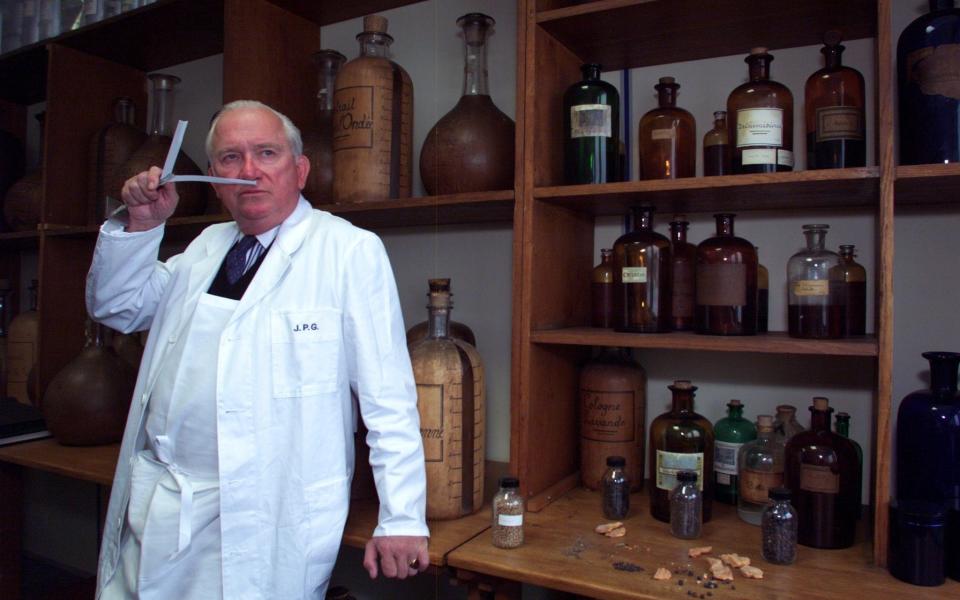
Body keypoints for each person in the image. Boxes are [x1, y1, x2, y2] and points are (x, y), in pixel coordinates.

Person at [87, 100, 429, 599]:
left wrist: (401, 517)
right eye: (230, 158)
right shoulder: (204, 247)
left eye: (266, 153)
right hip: (163, 506)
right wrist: (142, 224)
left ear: (301, 169)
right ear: (212, 177)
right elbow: (118, 307)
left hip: (263, 515)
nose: (249, 171)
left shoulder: (349, 252)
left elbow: (389, 400)